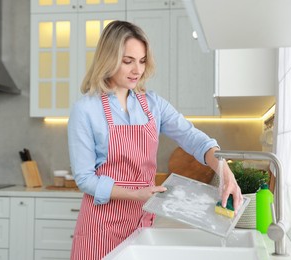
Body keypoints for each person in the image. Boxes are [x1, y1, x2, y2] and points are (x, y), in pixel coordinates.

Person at [67, 20, 243, 260]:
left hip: (142, 221)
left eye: (141, 61)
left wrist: (223, 170)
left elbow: (193, 138)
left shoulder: (152, 104)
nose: (137, 70)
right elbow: (85, 179)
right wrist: (136, 194)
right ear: (108, 59)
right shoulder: (86, 109)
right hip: (100, 226)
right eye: (128, 61)